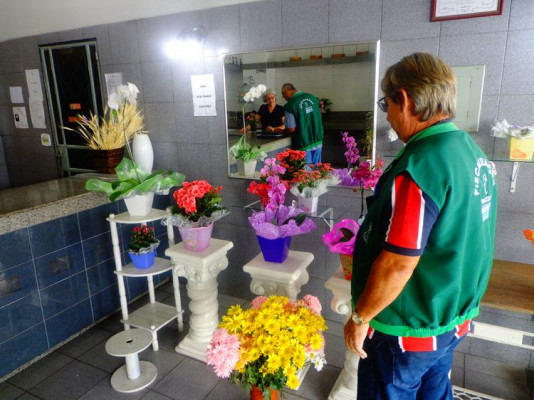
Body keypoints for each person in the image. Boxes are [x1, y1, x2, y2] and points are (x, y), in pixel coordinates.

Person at [344, 53, 498, 400]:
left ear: (406, 100)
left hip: (406, 330)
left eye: (386, 103)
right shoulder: (472, 154)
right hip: (450, 320)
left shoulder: (422, 166)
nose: (387, 114)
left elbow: (398, 263)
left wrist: (360, 317)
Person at [275, 83, 324, 164]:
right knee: (317, 169)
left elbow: (291, 129)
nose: (284, 98)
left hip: (303, 143)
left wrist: (280, 130)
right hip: (318, 139)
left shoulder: (290, 105)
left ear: (286, 93)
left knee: (305, 170)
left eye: (283, 96)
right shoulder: (313, 98)